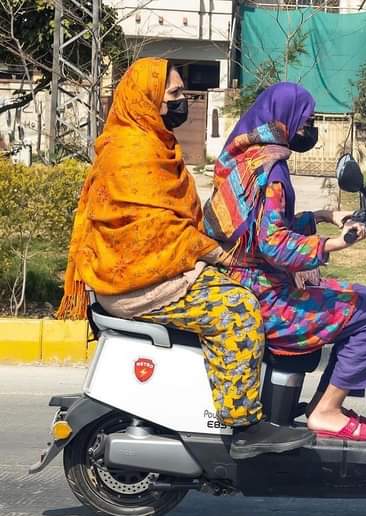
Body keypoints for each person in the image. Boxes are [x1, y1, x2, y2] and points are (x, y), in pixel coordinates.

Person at [56, 58, 312, 459]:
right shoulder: (132, 153)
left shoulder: (156, 143)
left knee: (245, 285)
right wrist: (222, 257)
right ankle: (244, 425)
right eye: (173, 95)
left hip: (159, 272)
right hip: (138, 284)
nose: (182, 102)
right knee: (239, 307)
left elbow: (181, 226)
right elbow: (157, 233)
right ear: (147, 99)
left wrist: (228, 255)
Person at [204, 82, 366, 442]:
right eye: (304, 121)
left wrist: (323, 214)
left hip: (247, 283)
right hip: (268, 300)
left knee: (357, 300)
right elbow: (273, 243)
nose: (308, 130)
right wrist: (335, 244)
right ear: (286, 118)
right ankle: (326, 411)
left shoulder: (246, 158)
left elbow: (266, 227)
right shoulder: (271, 170)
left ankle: (322, 405)